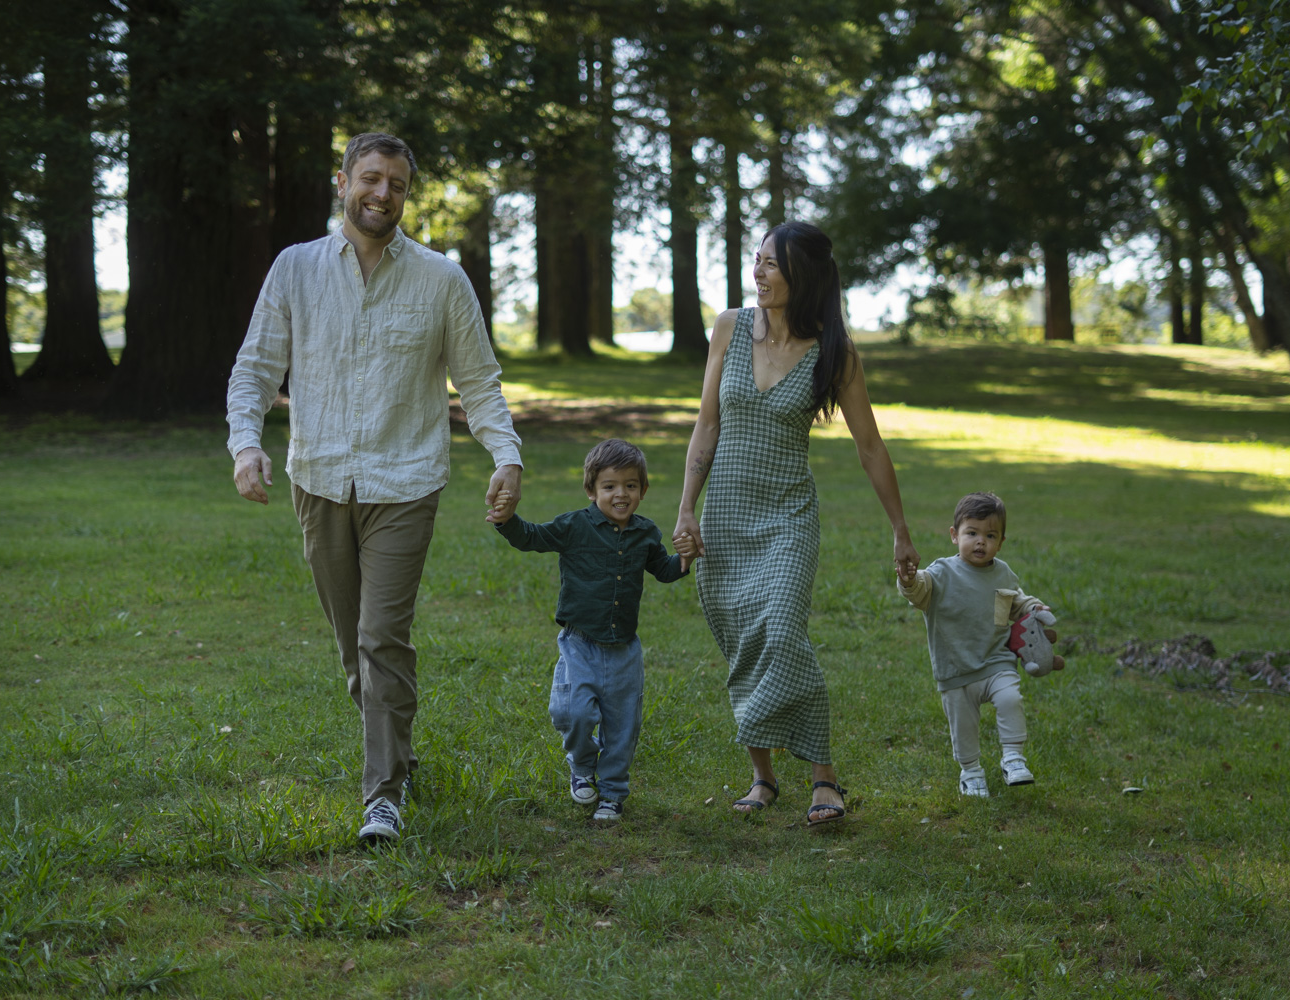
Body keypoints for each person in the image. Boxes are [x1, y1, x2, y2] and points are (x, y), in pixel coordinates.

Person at [226, 132, 523, 844]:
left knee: (382, 638)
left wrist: (505, 455)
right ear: (343, 182)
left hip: (405, 481)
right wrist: (246, 446)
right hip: (319, 479)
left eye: (395, 183)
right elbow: (256, 368)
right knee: (352, 646)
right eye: (369, 178)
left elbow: (479, 382)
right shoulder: (295, 270)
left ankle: (381, 796)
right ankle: (399, 755)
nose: (381, 193)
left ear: (407, 193)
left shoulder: (441, 279)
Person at [671, 220, 919, 827]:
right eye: (756, 262)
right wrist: (684, 508)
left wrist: (900, 531)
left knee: (781, 630)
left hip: (787, 516)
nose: (758, 273)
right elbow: (707, 424)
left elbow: (870, 446)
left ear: (802, 276)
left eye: (772, 265)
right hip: (725, 512)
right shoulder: (729, 327)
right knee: (739, 638)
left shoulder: (834, 351)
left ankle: (824, 776)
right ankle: (762, 776)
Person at [489, 439, 691, 821]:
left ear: (643, 491)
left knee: (622, 725)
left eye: (631, 486)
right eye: (610, 486)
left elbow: (663, 570)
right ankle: (582, 766)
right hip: (579, 642)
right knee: (571, 712)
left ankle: (612, 793)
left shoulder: (645, 533)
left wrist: (685, 556)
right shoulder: (574, 526)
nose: (621, 494)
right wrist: (506, 520)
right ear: (591, 490)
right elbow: (531, 537)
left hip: (624, 649)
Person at [895, 491, 1063, 798]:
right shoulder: (941, 573)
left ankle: (1013, 758)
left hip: (995, 661)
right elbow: (919, 592)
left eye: (990, 535)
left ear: (1001, 542)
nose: (980, 542)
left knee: (1011, 699)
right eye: (971, 533)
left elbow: (1016, 602)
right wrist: (908, 581)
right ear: (954, 535)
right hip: (955, 668)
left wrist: (1035, 609)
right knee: (964, 727)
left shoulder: (1003, 573)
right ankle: (970, 772)